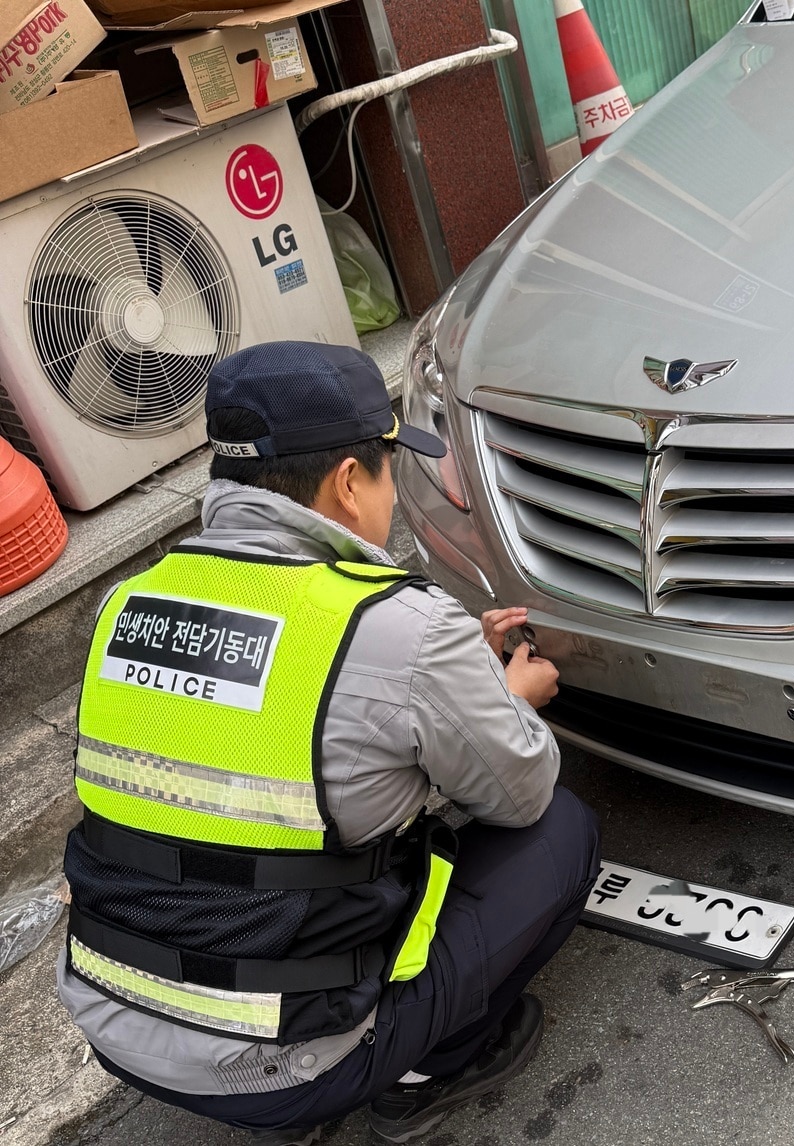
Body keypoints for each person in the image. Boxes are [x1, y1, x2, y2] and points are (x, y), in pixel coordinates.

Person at [56, 341, 600, 1145]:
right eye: (386, 465)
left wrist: (445, 677)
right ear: (349, 483)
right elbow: (515, 790)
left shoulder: (129, 603)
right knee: (561, 830)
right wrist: (505, 699)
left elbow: (264, 738)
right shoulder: (395, 624)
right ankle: (423, 1072)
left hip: (113, 1018)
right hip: (291, 1057)